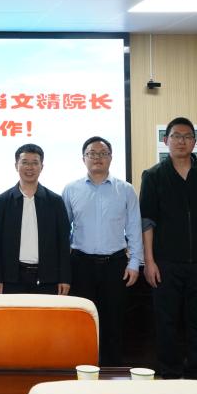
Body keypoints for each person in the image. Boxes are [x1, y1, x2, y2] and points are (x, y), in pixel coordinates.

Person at [140, 116, 197, 380]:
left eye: (187, 136)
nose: (181, 141)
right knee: (166, 321)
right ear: (166, 140)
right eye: (176, 136)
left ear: (194, 141)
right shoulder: (153, 176)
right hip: (166, 262)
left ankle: (196, 372)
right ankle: (170, 372)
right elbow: (147, 222)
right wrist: (149, 261)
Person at [62, 136, 143, 366]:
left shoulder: (125, 190)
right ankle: (83, 369)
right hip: (81, 264)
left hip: (115, 264)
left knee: (113, 321)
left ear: (111, 158)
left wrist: (134, 263)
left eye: (103, 153)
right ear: (83, 158)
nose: (97, 158)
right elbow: (63, 230)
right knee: (82, 320)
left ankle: (111, 371)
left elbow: (134, 227)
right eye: (92, 154)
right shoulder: (71, 189)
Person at [0, 143, 71, 295]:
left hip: (48, 278)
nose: (30, 167)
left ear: (42, 167)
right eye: (25, 162)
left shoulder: (55, 201)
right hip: (11, 278)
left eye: (35, 163)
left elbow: (63, 242)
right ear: (16, 165)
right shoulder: (2, 201)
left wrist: (65, 278)